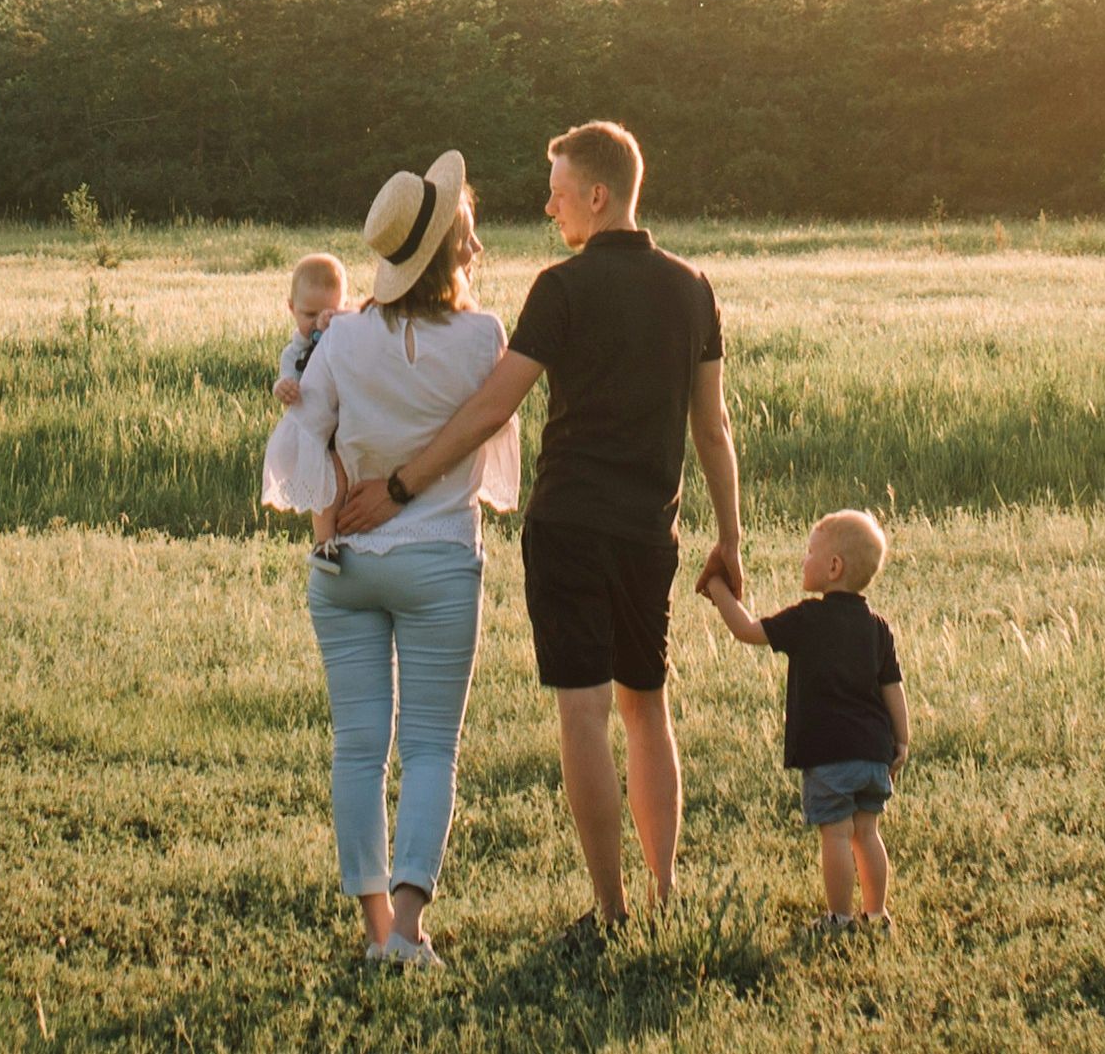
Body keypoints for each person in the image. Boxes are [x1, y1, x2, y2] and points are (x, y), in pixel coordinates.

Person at [327, 120, 740, 931]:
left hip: (568, 527)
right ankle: (664, 897)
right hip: (650, 531)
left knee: (583, 712)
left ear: (596, 193)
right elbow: (712, 425)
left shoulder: (561, 287)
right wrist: (730, 535)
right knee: (647, 706)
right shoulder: (693, 287)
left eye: (557, 189)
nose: (548, 204)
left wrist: (402, 484)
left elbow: (491, 406)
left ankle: (611, 910)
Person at [261, 154, 518, 969]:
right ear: (447, 250)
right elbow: (488, 435)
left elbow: (309, 438)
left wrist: (331, 520)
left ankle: (375, 929)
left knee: (357, 747)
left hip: (346, 566)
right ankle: (407, 931)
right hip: (440, 560)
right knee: (431, 747)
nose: (477, 248)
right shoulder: (483, 337)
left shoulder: (339, 336)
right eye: (468, 236)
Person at [701, 509, 906, 939]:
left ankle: (839, 919)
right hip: (873, 754)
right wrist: (902, 741)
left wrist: (717, 587)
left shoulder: (807, 619)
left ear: (834, 568)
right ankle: (877, 915)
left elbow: (748, 630)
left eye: (810, 551)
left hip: (830, 755)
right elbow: (893, 688)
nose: (803, 559)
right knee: (867, 832)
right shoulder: (878, 628)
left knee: (835, 834)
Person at [273, 251, 350, 408]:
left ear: (345, 308)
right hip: (309, 425)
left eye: (330, 314)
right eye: (310, 314)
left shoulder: (347, 345)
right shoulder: (293, 355)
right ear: (292, 308)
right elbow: (289, 380)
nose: (319, 322)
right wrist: (282, 387)